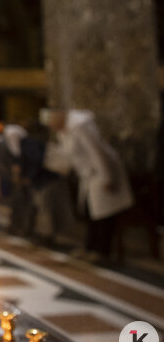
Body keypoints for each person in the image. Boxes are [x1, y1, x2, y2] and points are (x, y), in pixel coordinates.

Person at [48, 109, 134, 259]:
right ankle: (90, 247)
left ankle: (101, 250)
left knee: (103, 214)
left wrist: (107, 177)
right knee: (91, 211)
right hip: (88, 176)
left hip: (100, 172)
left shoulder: (81, 126)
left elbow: (97, 153)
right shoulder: (64, 132)